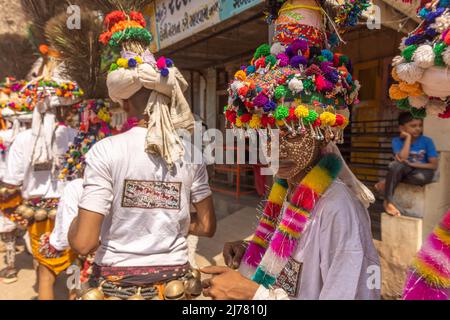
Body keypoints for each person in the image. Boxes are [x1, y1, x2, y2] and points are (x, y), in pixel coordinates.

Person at [200, 0, 380, 300]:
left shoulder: (337, 210)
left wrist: (252, 295)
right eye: (269, 134)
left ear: (321, 135)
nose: (276, 148)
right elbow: (294, 270)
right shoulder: (288, 188)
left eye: (292, 134)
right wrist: (250, 255)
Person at [68, 9, 216, 300]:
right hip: (177, 286)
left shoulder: (106, 151)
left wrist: (75, 216)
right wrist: (169, 221)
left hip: (116, 286)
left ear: (124, 104)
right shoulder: (190, 153)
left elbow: (84, 243)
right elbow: (208, 226)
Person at [2, 48, 82, 299]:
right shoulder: (72, 135)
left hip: (37, 215)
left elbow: (9, 185)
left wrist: (20, 216)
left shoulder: (23, 140)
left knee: (45, 272)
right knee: (74, 269)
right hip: (69, 212)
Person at [378, 112, 438, 216]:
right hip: (404, 169)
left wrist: (412, 164)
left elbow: (433, 165)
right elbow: (402, 158)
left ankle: (388, 181)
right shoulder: (397, 141)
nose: (418, 129)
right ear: (402, 128)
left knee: (421, 177)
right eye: (413, 126)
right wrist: (408, 138)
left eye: (420, 125)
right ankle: (388, 202)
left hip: (420, 171)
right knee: (395, 166)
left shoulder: (427, 141)